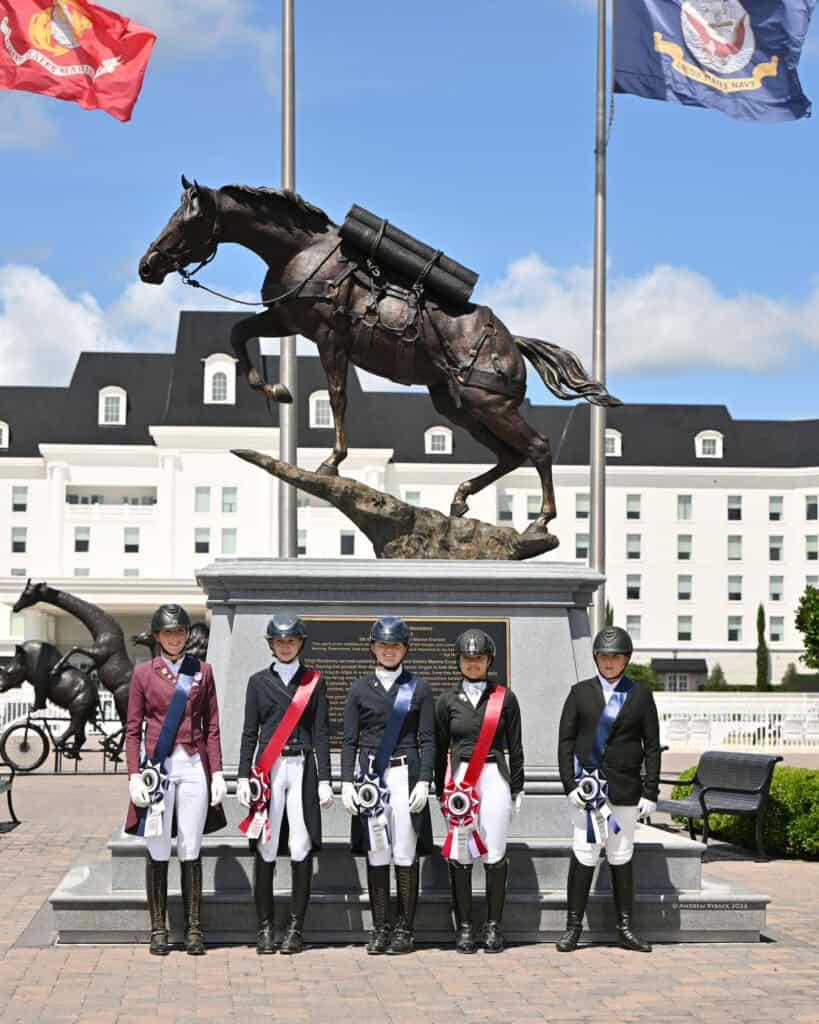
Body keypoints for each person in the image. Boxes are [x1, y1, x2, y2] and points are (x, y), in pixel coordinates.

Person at [124, 604, 226, 956]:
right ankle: (159, 929)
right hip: (157, 769)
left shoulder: (203, 671)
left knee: (190, 845)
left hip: (193, 764)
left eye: (180, 631)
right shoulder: (143, 673)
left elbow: (211, 727)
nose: (175, 638)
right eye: (168, 632)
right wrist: (134, 775)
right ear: (157, 636)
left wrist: (217, 773)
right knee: (157, 846)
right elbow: (133, 728)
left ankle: (194, 928)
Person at [556, 625, 661, 953]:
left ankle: (625, 928)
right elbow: (565, 742)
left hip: (625, 792)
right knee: (584, 854)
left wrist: (651, 791)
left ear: (626, 658)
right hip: (587, 795)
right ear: (595, 658)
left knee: (620, 854)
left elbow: (653, 746)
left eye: (615, 656)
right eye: (603, 656)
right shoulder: (579, 693)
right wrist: (569, 785)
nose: (609, 662)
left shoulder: (640, 694)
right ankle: (573, 928)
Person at [236, 613, 332, 955]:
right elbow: (250, 731)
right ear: (271, 645)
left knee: (301, 844)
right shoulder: (258, 682)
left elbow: (321, 731)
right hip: (269, 769)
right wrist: (244, 775)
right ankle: (264, 928)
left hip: (302, 766)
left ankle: (295, 929)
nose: (285, 646)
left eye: (291, 641)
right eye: (279, 641)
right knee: (266, 843)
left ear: (301, 643)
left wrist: (326, 780)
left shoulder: (314, 682)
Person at [341, 616, 435, 955]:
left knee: (405, 854)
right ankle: (380, 928)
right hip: (371, 779)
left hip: (405, 775)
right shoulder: (359, 688)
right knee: (377, 853)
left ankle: (404, 930)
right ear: (372, 648)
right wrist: (346, 783)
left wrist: (424, 780)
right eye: (383, 645)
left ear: (405, 648)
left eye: (395, 645)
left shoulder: (419, 687)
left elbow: (428, 738)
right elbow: (349, 739)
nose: (389, 650)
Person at [435, 627, 524, 954]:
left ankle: (493, 926)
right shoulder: (446, 701)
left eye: (479, 658)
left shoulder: (505, 697)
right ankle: (465, 927)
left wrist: (517, 787)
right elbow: (438, 747)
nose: (473, 664)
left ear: (489, 660)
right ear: (459, 661)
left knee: (495, 849)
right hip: (460, 780)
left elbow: (516, 746)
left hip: (494, 775)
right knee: (461, 852)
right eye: (467, 659)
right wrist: (438, 790)